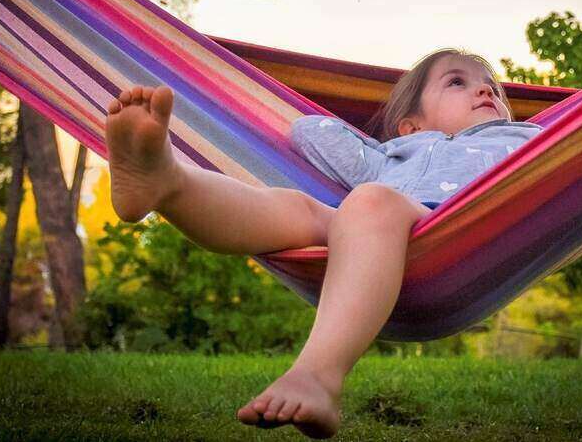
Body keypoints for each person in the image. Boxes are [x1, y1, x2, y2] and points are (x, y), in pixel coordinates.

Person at [104, 47, 543, 439]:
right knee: (303, 208)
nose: (485, 91)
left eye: (493, 89)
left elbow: (562, 170)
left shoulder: (524, 139)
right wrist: (389, 144)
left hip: (460, 235)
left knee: (369, 201)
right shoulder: (390, 156)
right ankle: (168, 182)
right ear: (410, 125)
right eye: (457, 82)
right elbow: (308, 131)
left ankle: (318, 375)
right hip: (368, 236)